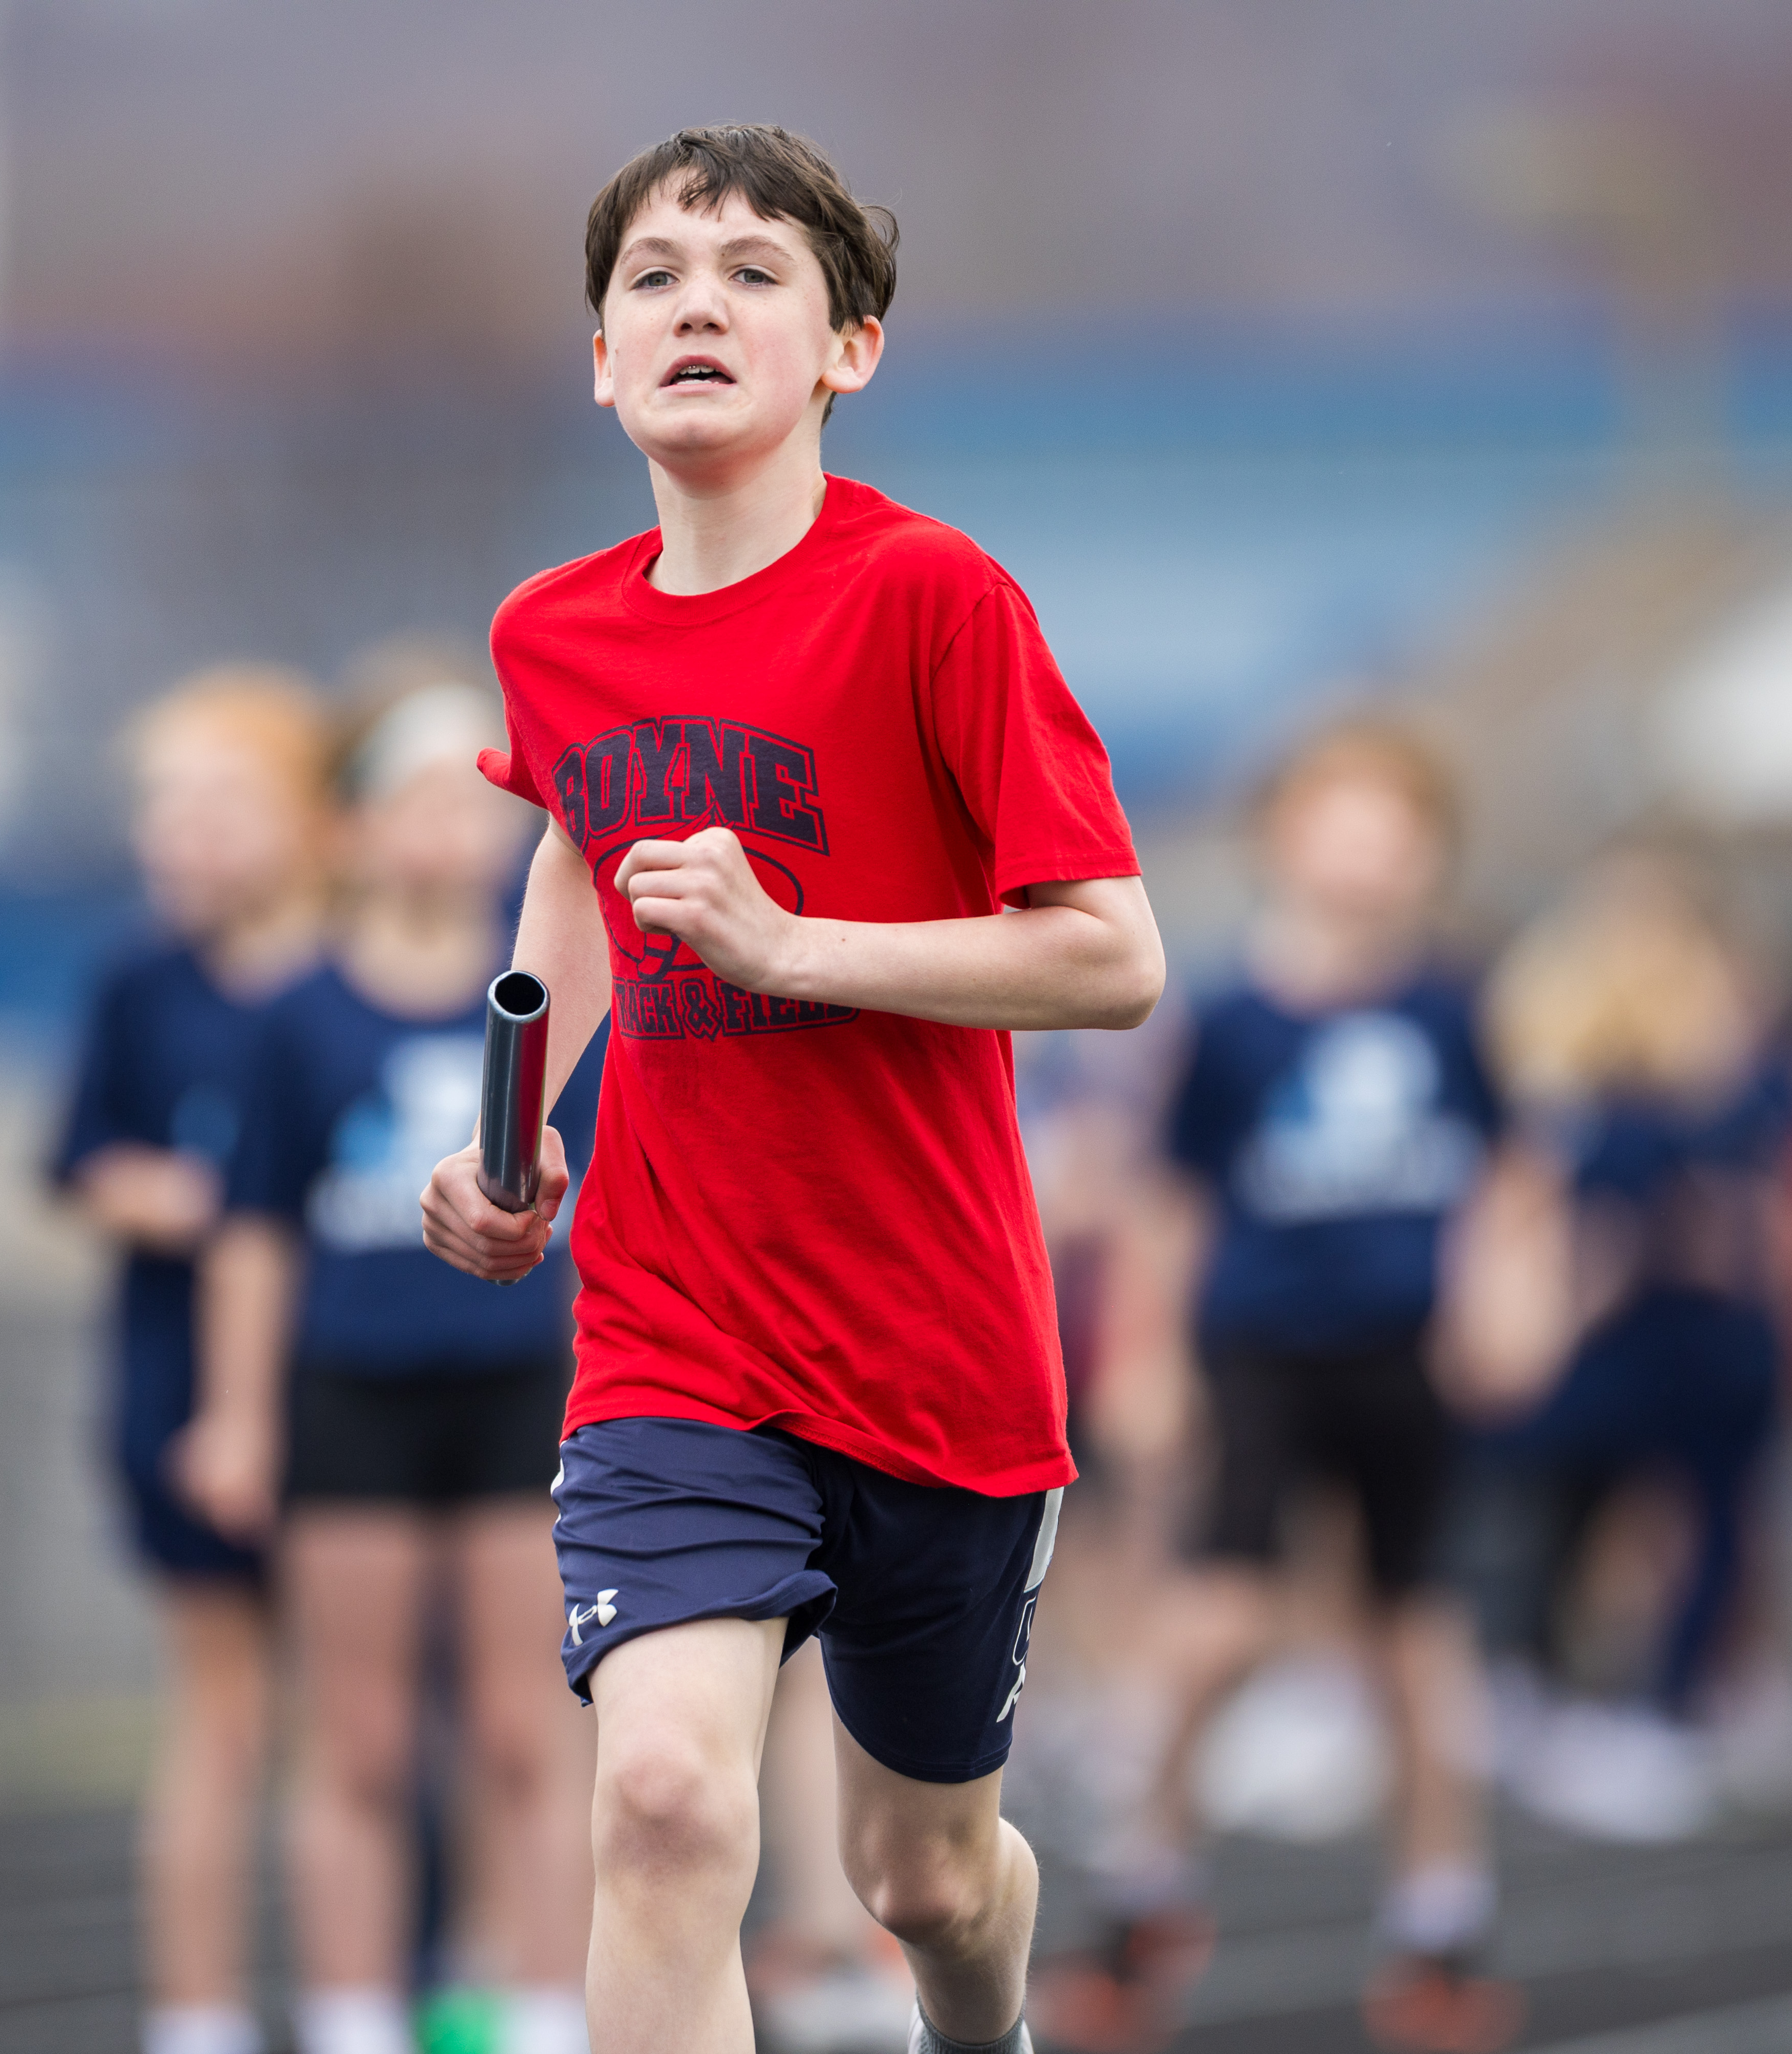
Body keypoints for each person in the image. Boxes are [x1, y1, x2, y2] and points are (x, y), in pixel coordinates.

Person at [417, 125, 1165, 2054]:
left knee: (923, 1880)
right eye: (655, 278)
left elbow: (1113, 956)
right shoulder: (549, 632)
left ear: (851, 350)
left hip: (934, 1347)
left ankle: (981, 2021)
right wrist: (516, 1127)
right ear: (601, 359)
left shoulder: (936, 598)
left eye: (755, 274)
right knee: (666, 1803)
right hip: (676, 1336)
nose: (700, 304)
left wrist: (798, 950)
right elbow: (580, 847)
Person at [1065, 721, 1510, 2054]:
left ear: (1428, 854)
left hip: (1401, 1351)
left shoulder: (1451, 1008)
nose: (1366, 859)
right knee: (1217, 1623)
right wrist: (1145, 1354)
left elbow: (1513, 1168)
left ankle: (1441, 1917)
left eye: (1392, 833)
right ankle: (1146, 1881)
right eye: (1341, 827)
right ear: (1286, 843)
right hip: (1260, 1349)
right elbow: (1170, 1200)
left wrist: (1508, 1292)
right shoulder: (1235, 1018)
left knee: (1414, 1638)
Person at [206, 678, 598, 2054]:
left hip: (519, 1389)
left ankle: (546, 2010)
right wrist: (237, 1415)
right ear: (355, 826)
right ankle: (354, 2014)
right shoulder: (300, 1014)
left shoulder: (553, 993)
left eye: (470, 801)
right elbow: (255, 1231)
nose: (448, 827)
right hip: (355, 1392)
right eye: (416, 798)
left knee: (524, 1728)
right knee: (360, 1739)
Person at [49, 668, 333, 2054]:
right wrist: (199, 1200)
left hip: (360, 1374)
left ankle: (388, 1990)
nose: (179, 835)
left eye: (216, 802)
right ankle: (200, 2012)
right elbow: (79, 1158)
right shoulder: (140, 979)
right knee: (222, 1712)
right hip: (179, 1375)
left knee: (372, 1720)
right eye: (163, 807)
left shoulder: (359, 974)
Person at [1453, 856, 1791, 1846]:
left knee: (1635, 1523)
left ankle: (1619, 1700)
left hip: (1665, 1342)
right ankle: (1622, 1700)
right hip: (1660, 1341)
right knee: (1634, 1523)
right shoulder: (1662, 1091)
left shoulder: (1647, 1094)